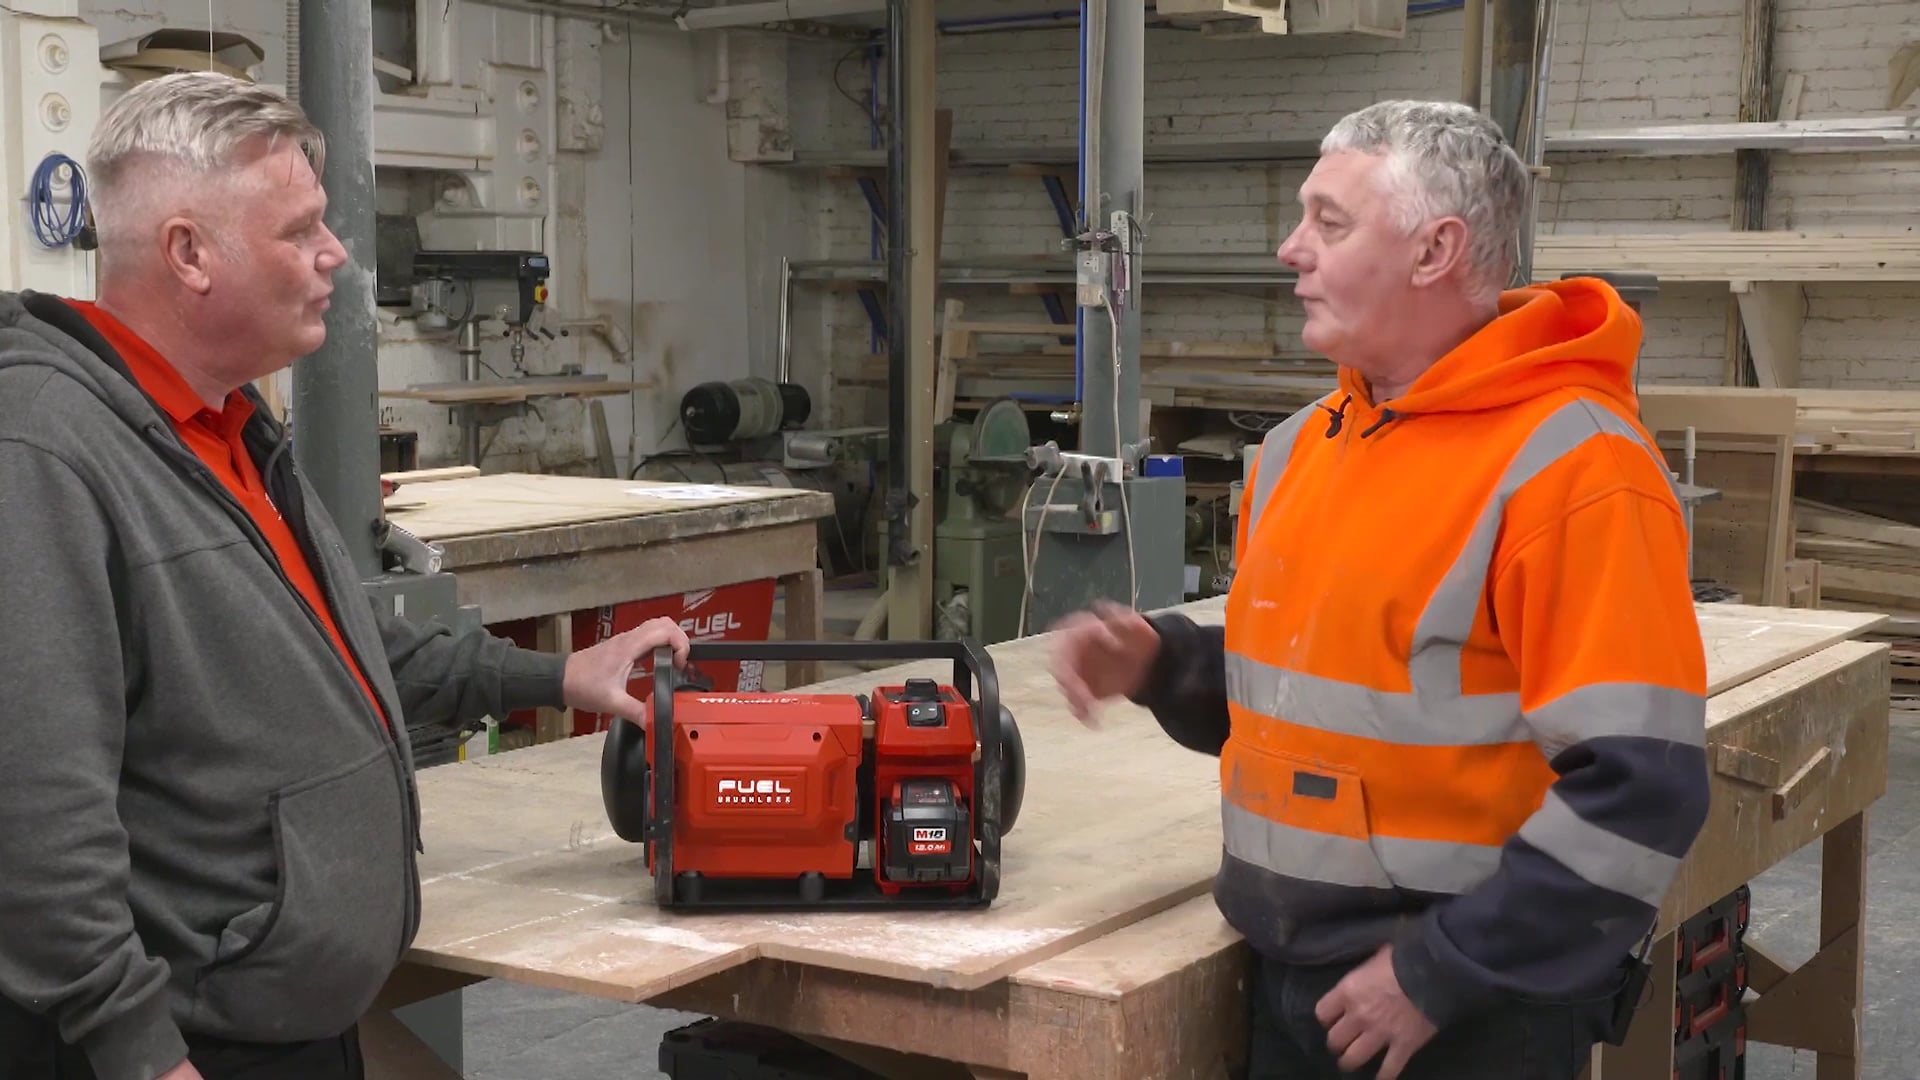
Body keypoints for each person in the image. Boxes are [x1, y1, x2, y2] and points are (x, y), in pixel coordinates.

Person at [0, 72, 690, 1080]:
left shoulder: (227, 425)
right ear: (189, 253)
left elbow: (331, 653)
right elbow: (33, 813)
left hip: (285, 1023)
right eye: (300, 230)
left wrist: (554, 676)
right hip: (181, 1049)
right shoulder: (44, 452)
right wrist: (137, 1050)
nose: (336, 254)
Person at [1050, 100, 1711, 1079]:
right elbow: (1336, 707)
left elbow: (1642, 790)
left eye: (1330, 221)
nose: (1290, 249)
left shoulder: (1575, 471)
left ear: (1435, 250)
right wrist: (1166, 665)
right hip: (1298, 981)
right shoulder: (1302, 448)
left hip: (1465, 1014)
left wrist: (1438, 972)